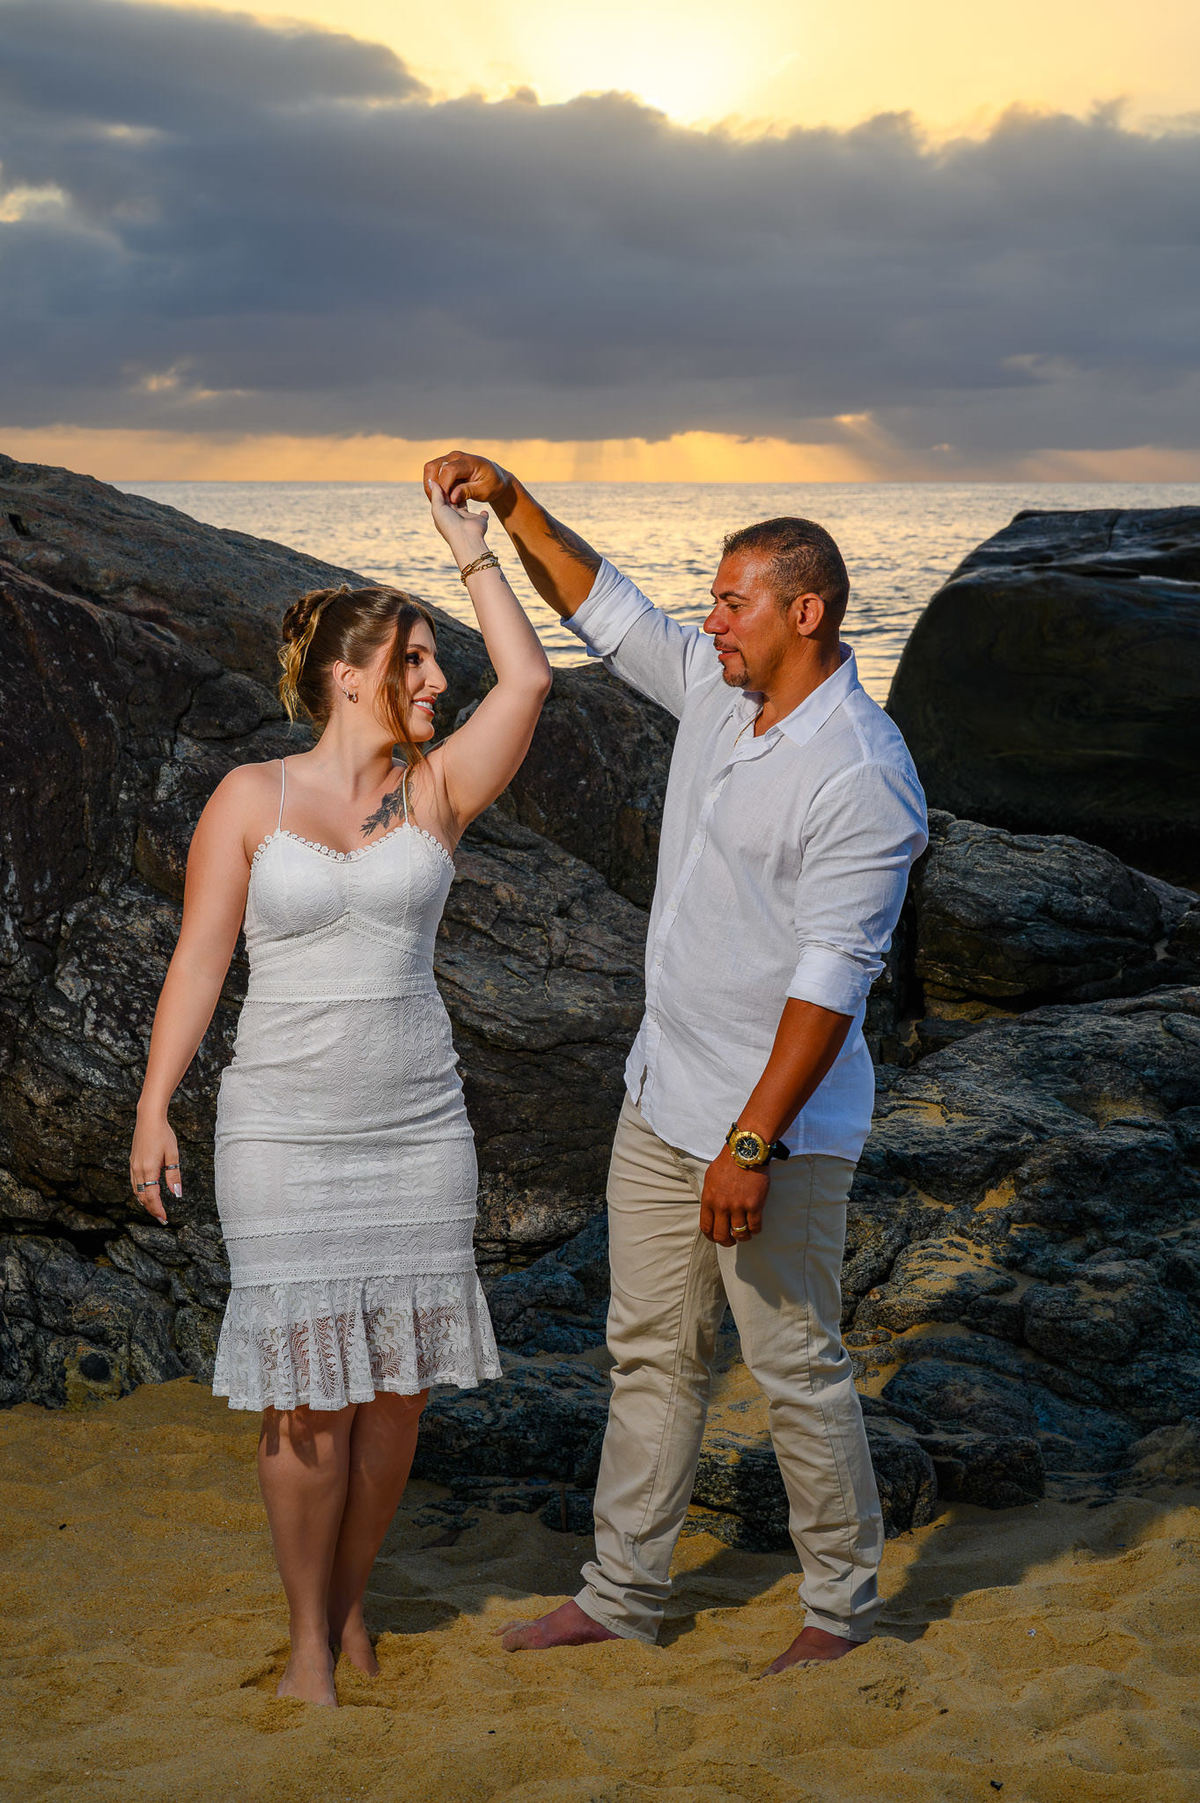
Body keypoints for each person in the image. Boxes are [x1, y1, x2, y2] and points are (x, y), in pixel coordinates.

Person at [423, 451, 928, 1677]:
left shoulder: (860, 773)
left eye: (734, 600)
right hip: (661, 1099)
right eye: (712, 599)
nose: (711, 621)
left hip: (777, 1128)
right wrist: (512, 504)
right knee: (649, 1350)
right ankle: (622, 1594)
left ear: (805, 613)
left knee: (794, 1362)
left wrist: (751, 1143)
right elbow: (606, 607)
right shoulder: (716, 683)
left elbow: (830, 985)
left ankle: (840, 1608)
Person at [129, 479, 551, 1705]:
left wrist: (472, 555)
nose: (439, 682)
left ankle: (353, 1596)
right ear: (350, 674)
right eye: (418, 662)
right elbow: (200, 960)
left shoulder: (437, 793)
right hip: (283, 1132)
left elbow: (529, 684)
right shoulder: (251, 800)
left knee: (396, 1403)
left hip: (420, 1131)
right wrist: (156, 1105)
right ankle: (310, 1635)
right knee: (309, 1403)